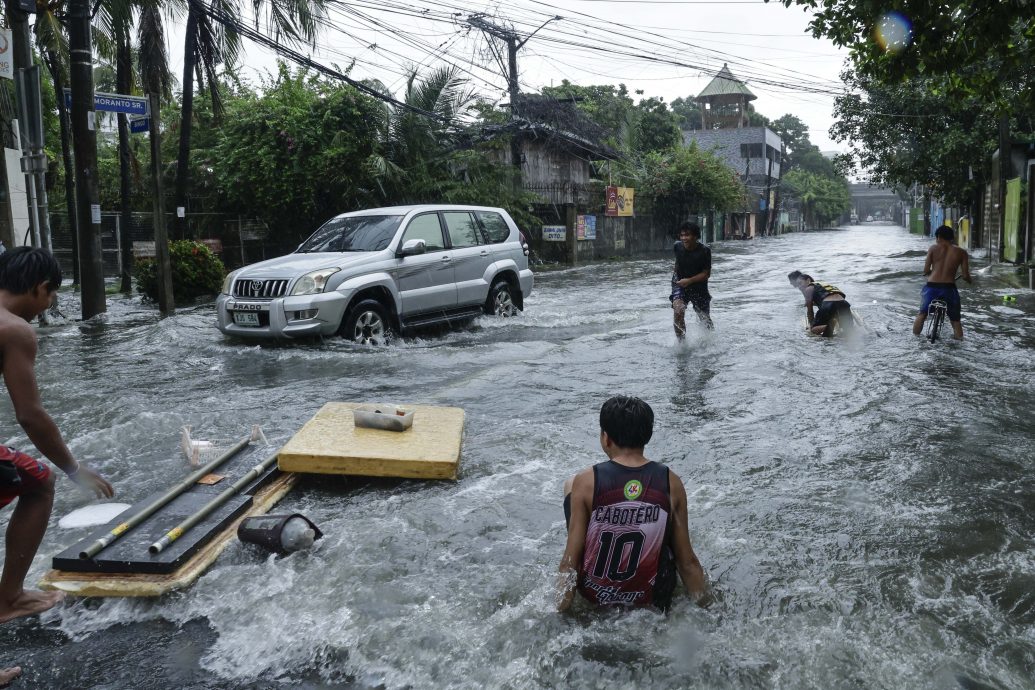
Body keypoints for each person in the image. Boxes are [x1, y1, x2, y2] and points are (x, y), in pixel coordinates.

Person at [0, 248, 113, 637]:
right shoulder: (14, 329)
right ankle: (9, 598)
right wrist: (74, 468)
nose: (48, 304)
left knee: (33, 479)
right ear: (40, 287)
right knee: (42, 483)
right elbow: (30, 415)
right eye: (51, 296)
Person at [557, 395, 707, 612]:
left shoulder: (586, 481)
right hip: (653, 599)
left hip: (596, 597)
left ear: (605, 438)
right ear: (647, 436)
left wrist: (559, 614)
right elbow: (688, 563)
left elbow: (569, 565)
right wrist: (708, 610)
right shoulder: (671, 481)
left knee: (570, 485)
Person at [912, 225, 972, 340]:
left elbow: (925, 271)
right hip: (949, 288)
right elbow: (965, 276)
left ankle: (915, 339)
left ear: (938, 237)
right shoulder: (962, 252)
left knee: (922, 314)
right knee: (955, 320)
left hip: (931, 287)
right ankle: (959, 343)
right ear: (951, 238)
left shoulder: (933, 249)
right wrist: (970, 280)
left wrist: (933, 272)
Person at [669, 221, 713, 338]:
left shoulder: (705, 251)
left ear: (695, 236)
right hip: (680, 283)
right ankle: (681, 345)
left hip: (699, 286)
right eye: (682, 235)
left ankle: (710, 339)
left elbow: (706, 274)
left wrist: (689, 281)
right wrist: (676, 277)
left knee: (704, 318)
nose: (684, 238)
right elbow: (678, 262)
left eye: (687, 235)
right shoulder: (677, 246)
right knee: (678, 310)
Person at [787, 270, 853, 337]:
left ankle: (829, 325)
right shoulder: (823, 284)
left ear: (808, 280)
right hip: (844, 304)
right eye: (798, 285)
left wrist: (812, 325)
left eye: (800, 283)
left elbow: (810, 311)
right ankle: (838, 325)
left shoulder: (808, 289)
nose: (799, 287)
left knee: (814, 330)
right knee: (848, 329)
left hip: (829, 304)